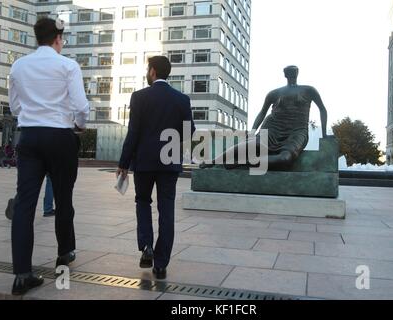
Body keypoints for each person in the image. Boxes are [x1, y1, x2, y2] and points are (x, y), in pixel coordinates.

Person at [8, 18, 89, 295]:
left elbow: (15, 106)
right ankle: (64, 254)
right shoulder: (67, 66)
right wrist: (79, 124)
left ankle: (21, 274)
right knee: (63, 199)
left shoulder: (18, 65)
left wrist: (33, 114)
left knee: (24, 204)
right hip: (59, 137)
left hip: (28, 137)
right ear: (58, 38)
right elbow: (81, 106)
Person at [117, 56, 195, 280]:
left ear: (152, 72)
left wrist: (123, 163)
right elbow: (189, 133)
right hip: (169, 162)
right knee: (166, 210)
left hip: (144, 162)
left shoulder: (140, 97)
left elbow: (133, 132)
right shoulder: (181, 99)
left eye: (147, 69)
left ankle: (146, 246)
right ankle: (160, 264)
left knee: (142, 201)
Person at [200, 65, 329, 171]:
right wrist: (252, 132)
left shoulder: (309, 90)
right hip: (273, 128)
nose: (292, 74)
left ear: (298, 73)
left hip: (297, 131)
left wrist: (324, 135)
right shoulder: (274, 93)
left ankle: (243, 162)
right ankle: (213, 161)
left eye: (294, 71)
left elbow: (322, 109)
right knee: (252, 145)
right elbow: (262, 113)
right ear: (285, 75)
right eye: (289, 72)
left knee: (285, 158)